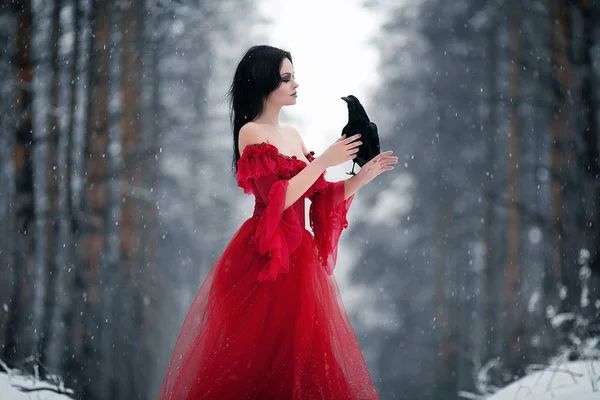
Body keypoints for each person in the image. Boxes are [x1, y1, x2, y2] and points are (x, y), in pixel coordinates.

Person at [158, 45, 398, 400]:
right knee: (257, 364)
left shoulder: (293, 135)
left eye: (293, 76)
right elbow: (279, 199)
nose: (295, 84)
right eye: (286, 78)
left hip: (297, 257)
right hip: (264, 257)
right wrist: (324, 160)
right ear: (263, 84)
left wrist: (362, 177)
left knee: (306, 364)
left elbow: (317, 197)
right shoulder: (251, 133)